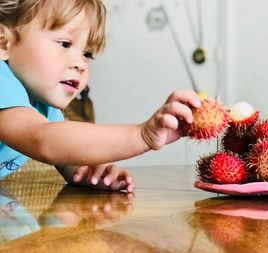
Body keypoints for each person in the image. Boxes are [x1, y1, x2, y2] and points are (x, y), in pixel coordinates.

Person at [0, 0, 201, 193]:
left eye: (87, 54)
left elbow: (64, 156)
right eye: (64, 43)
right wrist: (141, 135)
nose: (80, 64)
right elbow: (43, 139)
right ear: (3, 43)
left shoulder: (42, 107)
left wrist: (90, 171)